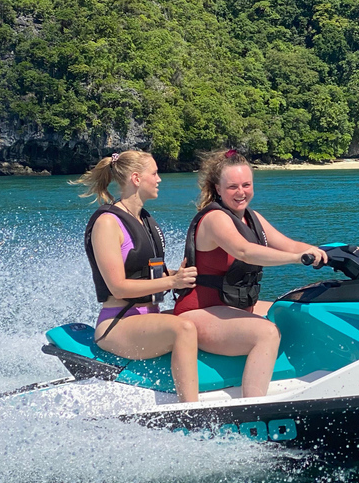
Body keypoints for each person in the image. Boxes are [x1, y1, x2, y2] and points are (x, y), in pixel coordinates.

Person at [174, 149, 327, 398]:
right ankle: (253, 407)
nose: (241, 192)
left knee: (294, 309)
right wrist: (296, 259)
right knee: (266, 333)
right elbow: (244, 251)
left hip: (234, 308)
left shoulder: (252, 218)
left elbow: (289, 244)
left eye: (246, 184)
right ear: (218, 188)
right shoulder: (215, 219)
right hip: (199, 312)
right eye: (233, 186)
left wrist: (329, 252)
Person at [72, 150, 200, 403]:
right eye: (154, 173)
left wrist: (179, 274)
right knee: (183, 329)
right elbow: (118, 287)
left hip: (147, 319)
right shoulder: (107, 223)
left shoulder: (144, 220)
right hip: (117, 324)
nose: (159, 179)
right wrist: (173, 281)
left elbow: (154, 275)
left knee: (200, 320)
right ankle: (190, 409)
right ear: (136, 178)